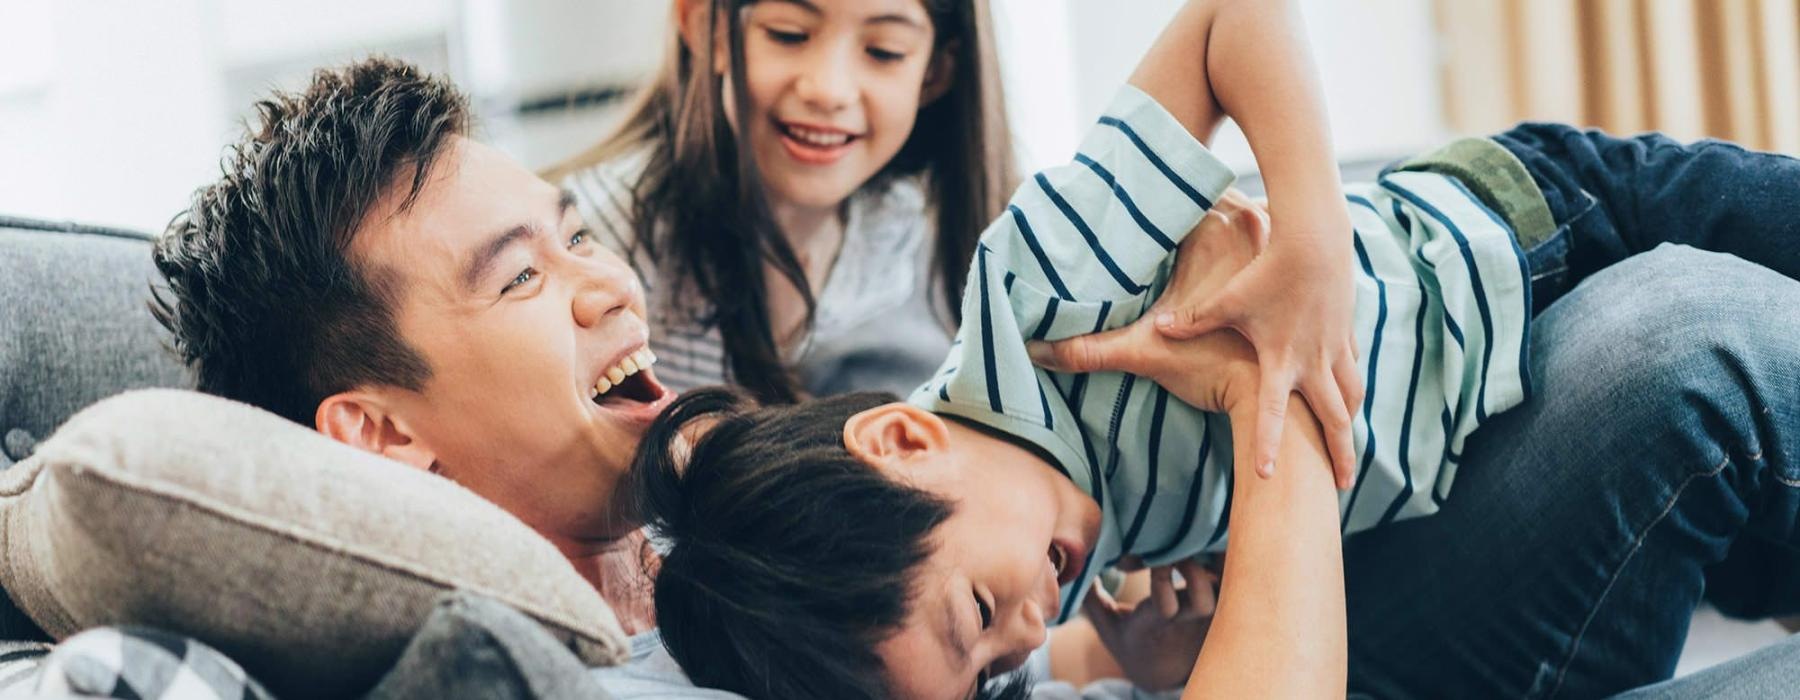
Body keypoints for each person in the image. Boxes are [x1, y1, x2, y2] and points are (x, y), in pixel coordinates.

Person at [151, 57, 1800, 700]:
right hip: (1309, 571)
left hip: (1325, 514)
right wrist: (1258, 395)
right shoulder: (626, 674)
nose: (602, 286)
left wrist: (1111, 640)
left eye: (571, 234)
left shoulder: (723, 552)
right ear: (377, 436)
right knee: (1692, 347)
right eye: (522, 275)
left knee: (1679, 303)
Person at [550, 0, 1370, 488]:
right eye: (790, 33)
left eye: (883, 50)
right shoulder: (601, 245)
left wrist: (1315, 237)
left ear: (936, 72)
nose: (829, 89)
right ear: (701, 20)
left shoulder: (912, 229)